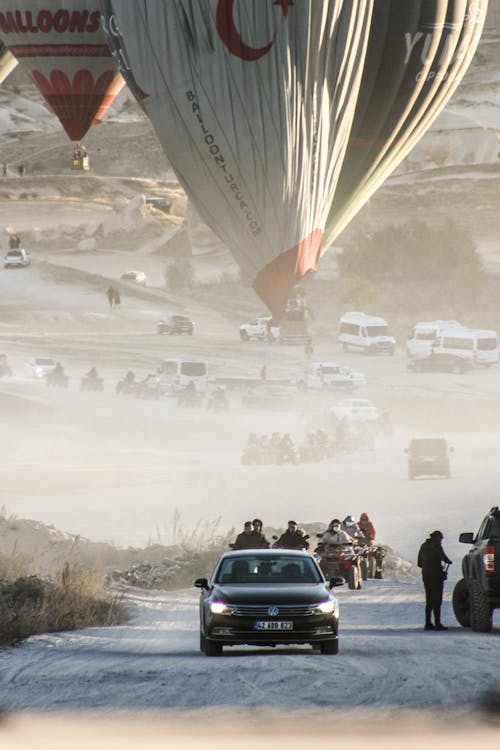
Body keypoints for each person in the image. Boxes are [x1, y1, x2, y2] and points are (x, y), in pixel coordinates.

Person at [417, 530, 452, 631]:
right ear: (438, 538)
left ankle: (427, 623)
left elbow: (419, 563)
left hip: (426, 575)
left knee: (429, 599)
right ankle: (437, 623)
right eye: (441, 539)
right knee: (437, 599)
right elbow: (444, 558)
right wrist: (448, 561)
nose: (441, 541)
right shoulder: (436, 545)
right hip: (436, 575)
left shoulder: (423, 546)